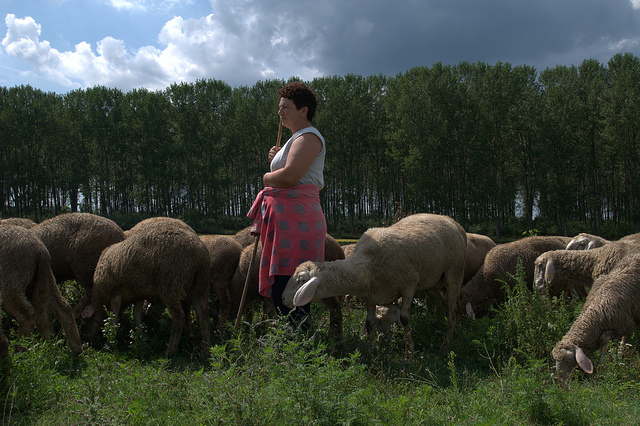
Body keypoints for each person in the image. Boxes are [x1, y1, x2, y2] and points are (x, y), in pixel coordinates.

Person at [247, 81, 327, 330]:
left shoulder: (310, 137)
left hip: (298, 221)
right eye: (279, 107)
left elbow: (290, 177)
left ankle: (298, 346)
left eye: (285, 107)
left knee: (292, 285)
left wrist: (266, 177)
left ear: (303, 110)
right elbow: (288, 170)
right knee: (283, 285)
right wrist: (277, 158)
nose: (280, 112)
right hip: (287, 221)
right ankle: (292, 344)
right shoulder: (296, 139)